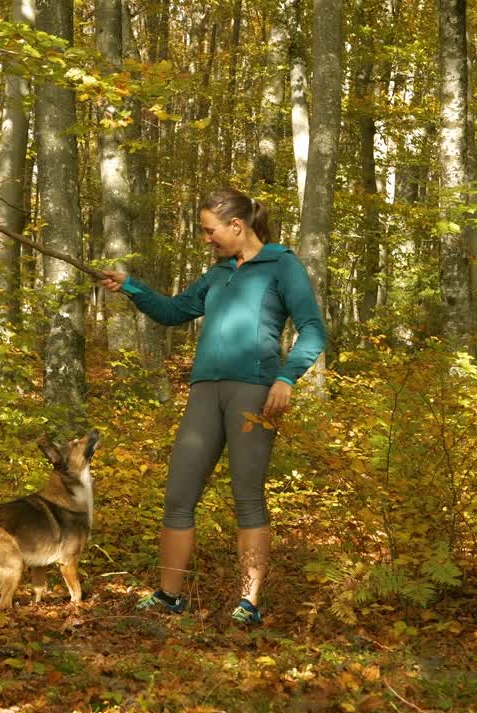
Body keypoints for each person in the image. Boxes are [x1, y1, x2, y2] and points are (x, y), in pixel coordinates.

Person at [99, 188, 326, 626]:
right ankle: (169, 596)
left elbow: (313, 329)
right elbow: (174, 310)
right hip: (205, 392)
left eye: (210, 231)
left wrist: (286, 377)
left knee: (248, 498)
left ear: (236, 226)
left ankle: (248, 604)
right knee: (178, 496)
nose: (207, 239)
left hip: (254, 393)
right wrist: (130, 287)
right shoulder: (218, 274)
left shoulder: (282, 264)